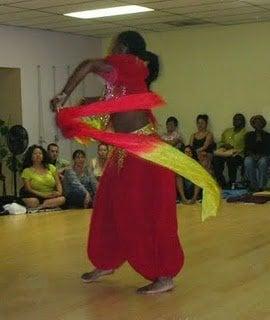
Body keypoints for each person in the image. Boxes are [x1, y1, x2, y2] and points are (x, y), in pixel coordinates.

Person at [51, 31, 219, 294]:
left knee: (146, 214)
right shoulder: (126, 80)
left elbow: (88, 65)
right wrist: (86, 106)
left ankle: (164, 274)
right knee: (107, 207)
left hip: (143, 154)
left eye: (114, 45)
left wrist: (63, 96)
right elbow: (113, 105)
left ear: (123, 48)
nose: (110, 49)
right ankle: (106, 261)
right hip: (123, 153)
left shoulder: (128, 65)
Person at [20, 145, 65, 210]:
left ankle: (41, 207)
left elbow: (58, 183)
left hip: (51, 195)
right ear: (31, 156)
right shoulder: (26, 171)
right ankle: (47, 206)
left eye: (40, 153)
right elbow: (28, 189)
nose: (38, 155)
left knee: (62, 199)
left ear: (43, 156)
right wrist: (43, 195)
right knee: (34, 202)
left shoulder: (51, 167)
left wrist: (59, 192)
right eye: (35, 153)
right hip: (34, 195)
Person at [213, 113, 246, 189]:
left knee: (231, 160)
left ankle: (232, 182)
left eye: (238, 119)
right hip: (225, 153)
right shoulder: (227, 131)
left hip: (238, 155)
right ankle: (221, 182)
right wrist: (223, 145)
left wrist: (233, 148)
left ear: (243, 122)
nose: (235, 121)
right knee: (216, 159)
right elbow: (221, 142)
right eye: (234, 119)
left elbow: (246, 147)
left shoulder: (245, 133)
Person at [244, 115, 270, 192]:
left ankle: (262, 187)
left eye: (260, 123)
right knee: (248, 161)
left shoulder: (268, 135)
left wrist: (260, 156)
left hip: (264, 156)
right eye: (256, 123)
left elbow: (268, 150)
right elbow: (247, 149)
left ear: (263, 124)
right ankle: (253, 186)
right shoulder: (249, 135)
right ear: (253, 125)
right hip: (252, 156)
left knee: (263, 162)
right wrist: (253, 155)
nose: (258, 124)